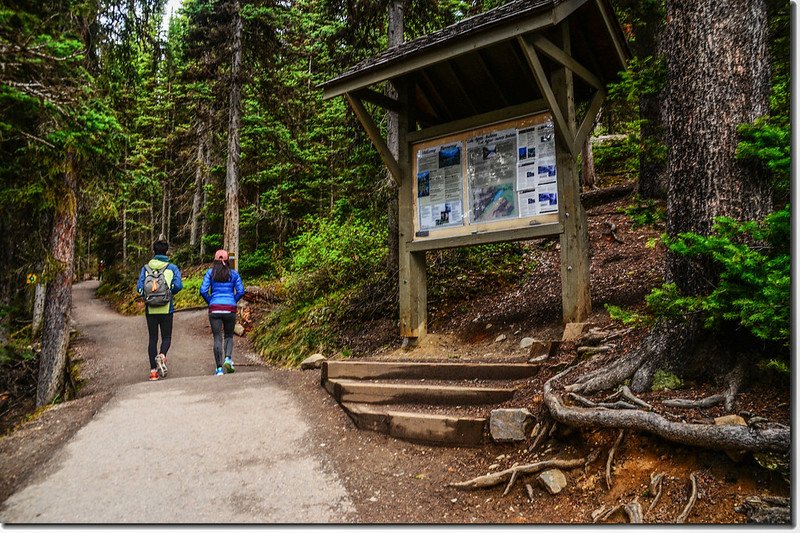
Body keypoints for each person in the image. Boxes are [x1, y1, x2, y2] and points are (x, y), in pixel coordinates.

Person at [137, 239, 183, 381]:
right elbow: (179, 286)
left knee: (152, 339)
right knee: (167, 337)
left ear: (154, 251)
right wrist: (169, 293)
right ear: (166, 251)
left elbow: (139, 288)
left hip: (150, 309)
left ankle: (153, 372)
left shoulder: (146, 268)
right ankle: (162, 355)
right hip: (166, 307)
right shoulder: (172, 267)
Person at [199, 249, 245, 376]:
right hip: (230, 309)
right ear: (227, 261)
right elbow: (241, 291)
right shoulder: (234, 274)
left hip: (215, 308)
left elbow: (203, 290)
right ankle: (228, 359)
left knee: (217, 337)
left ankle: (219, 369)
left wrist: (211, 301)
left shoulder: (210, 273)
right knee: (229, 336)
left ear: (215, 260)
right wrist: (233, 302)